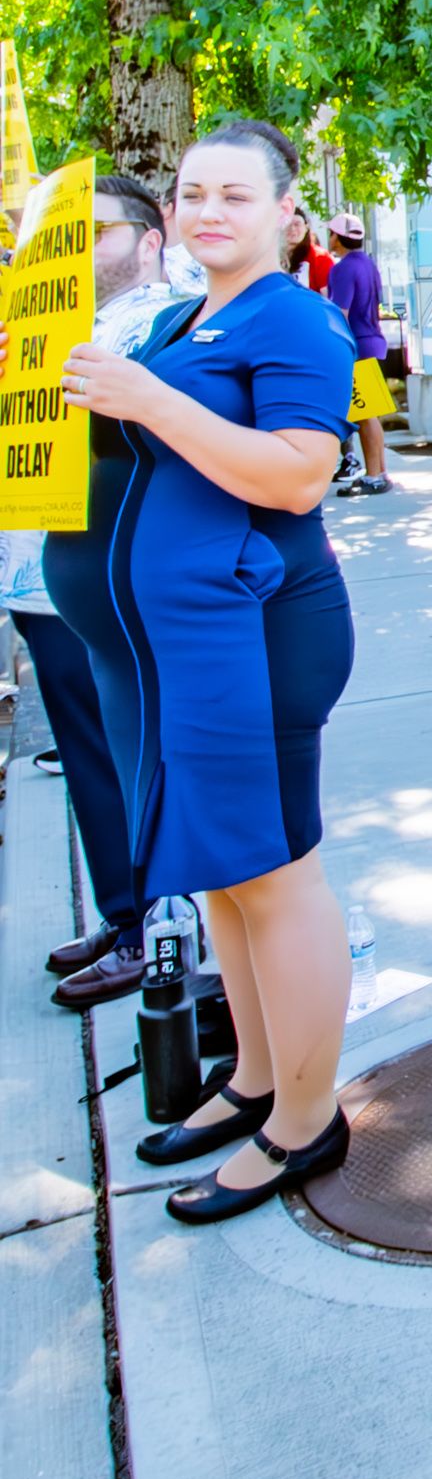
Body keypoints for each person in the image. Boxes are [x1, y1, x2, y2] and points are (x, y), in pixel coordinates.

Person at [45, 117, 357, 1223]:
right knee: (226, 872)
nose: (209, 211)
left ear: (286, 212)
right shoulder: (180, 318)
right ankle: (256, 1080)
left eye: (236, 194)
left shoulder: (297, 320)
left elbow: (296, 477)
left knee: (276, 875)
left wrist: (147, 400)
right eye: (191, 194)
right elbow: (131, 450)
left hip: (257, 636)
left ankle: (307, 1122)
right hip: (176, 649)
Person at [0, 172, 182, 1009]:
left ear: (149, 239)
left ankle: (156, 925)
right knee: (84, 750)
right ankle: (122, 908)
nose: (72, 251)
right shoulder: (47, 325)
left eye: (93, 230)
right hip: (40, 571)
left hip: (108, 572)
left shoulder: (165, 321)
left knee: (128, 753)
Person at [326, 209, 394, 496]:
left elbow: (340, 312)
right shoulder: (368, 263)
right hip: (373, 341)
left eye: (330, 233)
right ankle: (380, 471)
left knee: (365, 414)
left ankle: (375, 476)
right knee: (371, 413)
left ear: (337, 238)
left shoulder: (342, 268)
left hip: (355, 345)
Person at [284, 209, 332, 292]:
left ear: (306, 227)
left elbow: (328, 299)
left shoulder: (320, 258)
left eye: (297, 224)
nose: (292, 229)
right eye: (288, 224)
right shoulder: (274, 258)